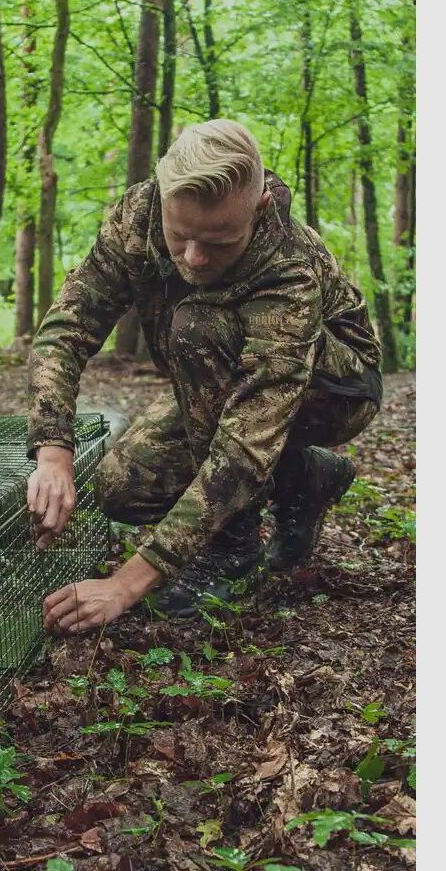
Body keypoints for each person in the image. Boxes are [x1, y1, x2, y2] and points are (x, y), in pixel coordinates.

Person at [27, 119, 383, 633]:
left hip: (335, 390)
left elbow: (243, 447)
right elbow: (67, 327)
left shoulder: (288, 268)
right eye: (180, 235)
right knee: (122, 486)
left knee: (199, 322)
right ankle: (303, 475)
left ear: (257, 209)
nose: (194, 258)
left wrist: (126, 583)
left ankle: (233, 550)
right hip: (226, 386)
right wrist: (54, 451)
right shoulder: (138, 214)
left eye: (219, 242)